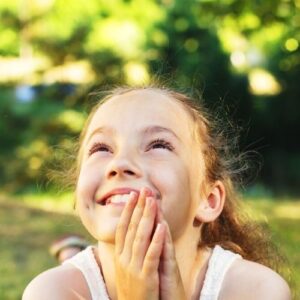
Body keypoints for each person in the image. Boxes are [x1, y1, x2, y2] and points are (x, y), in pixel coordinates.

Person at [23, 86, 291, 299]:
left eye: (158, 145)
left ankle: (71, 251)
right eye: (101, 148)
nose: (119, 164)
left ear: (208, 200)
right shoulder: (51, 293)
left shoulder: (257, 290)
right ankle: (72, 254)